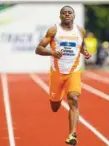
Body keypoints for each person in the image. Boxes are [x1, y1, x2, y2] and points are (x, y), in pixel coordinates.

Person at [35, 6, 91, 145]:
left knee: (73, 98)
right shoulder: (54, 30)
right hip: (57, 73)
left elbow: (81, 46)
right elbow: (38, 49)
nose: (67, 14)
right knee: (55, 107)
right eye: (64, 13)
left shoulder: (80, 31)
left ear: (73, 15)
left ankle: (72, 135)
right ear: (60, 16)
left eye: (69, 12)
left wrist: (85, 52)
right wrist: (52, 53)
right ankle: (57, 97)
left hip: (74, 71)